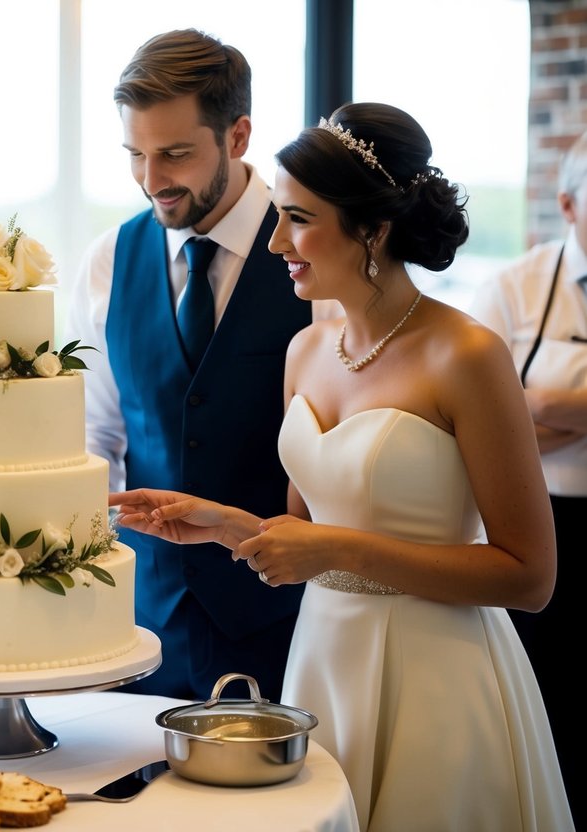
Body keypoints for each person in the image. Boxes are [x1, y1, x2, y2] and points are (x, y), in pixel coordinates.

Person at [110, 103, 572, 830]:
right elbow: (308, 532)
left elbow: (529, 577)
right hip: (323, 656)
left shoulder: (468, 356)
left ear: (373, 229)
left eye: (296, 218)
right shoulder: (305, 352)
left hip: (435, 674)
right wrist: (226, 526)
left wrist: (336, 549)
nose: (274, 243)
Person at [66, 28, 331, 701]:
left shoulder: (314, 256)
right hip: (138, 621)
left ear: (237, 137)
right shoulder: (107, 260)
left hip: (286, 619)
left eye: (175, 155)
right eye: (135, 155)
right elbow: (96, 434)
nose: (151, 181)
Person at [469, 129, 587, 826]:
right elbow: (480, 431)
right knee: (549, 713)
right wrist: (533, 415)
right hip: (539, 525)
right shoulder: (512, 289)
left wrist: (545, 405)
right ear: (568, 204)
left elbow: (520, 413)